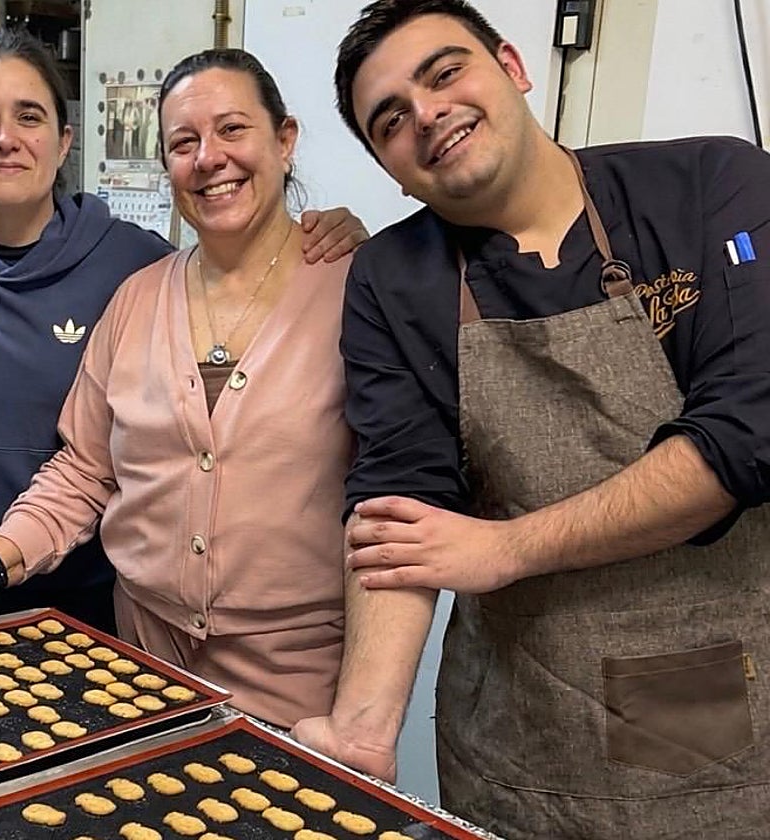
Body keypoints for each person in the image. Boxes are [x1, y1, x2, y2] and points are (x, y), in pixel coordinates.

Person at [294, 0, 770, 835]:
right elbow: (398, 501)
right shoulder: (393, 279)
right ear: (390, 170)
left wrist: (504, 547)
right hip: (517, 719)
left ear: (513, 66)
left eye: (445, 73)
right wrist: (364, 726)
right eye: (392, 120)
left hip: (702, 692)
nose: (428, 114)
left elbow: (746, 437)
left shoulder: (711, 186)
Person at [0, 47, 356, 729]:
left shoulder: (360, 293)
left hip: (299, 680)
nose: (209, 158)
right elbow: (85, 470)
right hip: (142, 667)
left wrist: (368, 712)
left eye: (233, 129)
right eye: (184, 142)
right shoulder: (139, 297)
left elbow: (399, 502)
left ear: (284, 139)